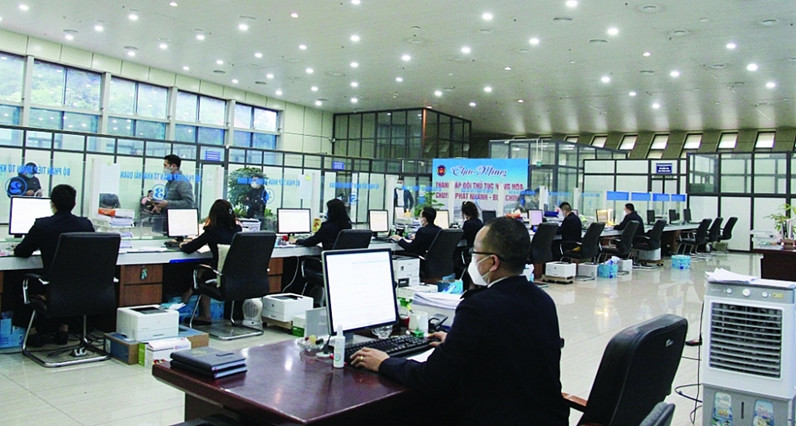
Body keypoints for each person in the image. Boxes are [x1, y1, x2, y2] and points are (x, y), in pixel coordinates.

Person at [351, 217, 569, 425]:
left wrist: (384, 362)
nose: (472, 259)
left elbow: (431, 378)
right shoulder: (543, 300)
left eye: (476, 253)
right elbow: (512, 347)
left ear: (493, 262)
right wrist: (457, 342)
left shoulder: (479, 307)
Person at [14, 184, 94, 347]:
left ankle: (33, 333)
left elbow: (22, 252)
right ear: (74, 203)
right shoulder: (86, 225)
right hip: (81, 290)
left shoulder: (43, 225)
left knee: (19, 282)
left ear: (52, 204)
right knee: (68, 281)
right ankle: (63, 328)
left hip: (51, 288)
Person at [179, 199, 242, 324]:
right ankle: (189, 293)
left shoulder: (212, 231)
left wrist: (180, 244)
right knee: (204, 270)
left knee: (202, 273)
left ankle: (204, 314)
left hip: (219, 274)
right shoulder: (237, 230)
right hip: (236, 274)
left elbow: (189, 249)